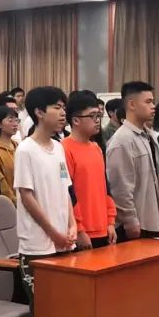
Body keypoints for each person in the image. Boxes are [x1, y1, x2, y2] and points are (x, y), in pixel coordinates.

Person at [105, 81, 159, 239]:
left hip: (156, 220)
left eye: (153, 102)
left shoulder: (150, 136)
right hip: (138, 225)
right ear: (132, 104)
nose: (153, 106)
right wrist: (130, 221)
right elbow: (120, 188)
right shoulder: (121, 141)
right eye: (148, 102)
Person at [14, 87, 76, 258]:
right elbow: (27, 197)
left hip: (64, 240)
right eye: (57, 107)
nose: (63, 113)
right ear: (39, 112)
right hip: (38, 244)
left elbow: (65, 189)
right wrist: (53, 233)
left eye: (64, 108)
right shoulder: (25, 149)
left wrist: (72, 225)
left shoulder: (58, 147)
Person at [62, 92, 117, 248]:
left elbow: (106, 188)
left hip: (103, 228)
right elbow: (68, 193)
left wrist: (110, 221)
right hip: (82, 231)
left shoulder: (96, 148)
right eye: (92, 116)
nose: (97, 120)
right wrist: (79, 229)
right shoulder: (64, 149)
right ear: (76, 120)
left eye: (98, 115)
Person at [0, 104, 20, 204]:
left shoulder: (18, 146)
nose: (15, 124)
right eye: (10, 120)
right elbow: (1, 181)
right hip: (8, 203)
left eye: (16, 120)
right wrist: (14, 201)